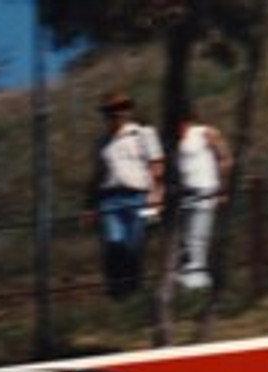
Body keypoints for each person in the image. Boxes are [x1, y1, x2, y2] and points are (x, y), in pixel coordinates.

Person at [85, 91, 165, 299]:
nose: (117, 113)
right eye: (112, 110)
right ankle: (117, 290)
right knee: (114, 242)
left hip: (139, 197)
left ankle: (133, 289)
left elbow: (156, 167)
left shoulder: (143, 134)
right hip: (110, 199)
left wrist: (156, 197)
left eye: (122, 108)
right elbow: (97, 175)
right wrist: (90, 205)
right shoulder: (102, 143)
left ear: (129, 110)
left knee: (134, 246)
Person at [176, 106, 233, 292]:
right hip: (184, 193)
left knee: (198, 235)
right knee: (183, 237)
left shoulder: (205, 132)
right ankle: (188, 278)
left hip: (205, 188)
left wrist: (223, 188)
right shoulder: (172, 137)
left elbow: (225, 159)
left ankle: (198, 280)